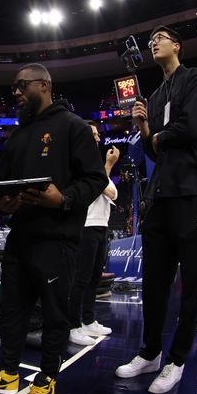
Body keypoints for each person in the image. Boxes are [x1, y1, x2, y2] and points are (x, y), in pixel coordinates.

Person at [0, 63, 107, 394]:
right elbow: (1, 184)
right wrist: (3, 202)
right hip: (21, 236)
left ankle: (46, 380)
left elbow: (94, 179)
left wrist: (65, 199)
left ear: (44, 85)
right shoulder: (17, 136)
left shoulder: (73, 127)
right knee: (11, 310)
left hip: (57, 238)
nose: (14, 92)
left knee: (55, 314)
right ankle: (8, 373)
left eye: (20, 85)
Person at [117, 25, 197, 394]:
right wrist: (144, 128)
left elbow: (191, 127)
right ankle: (150, 353)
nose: (153, 42)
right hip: (160, 196)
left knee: (192, 287)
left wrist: (157, 136)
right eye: (150, 41)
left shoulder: (194, 79)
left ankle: (177, 360)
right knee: (154, 284)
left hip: (192, 193)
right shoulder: (157, 93)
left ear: (176, 45)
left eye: (160, 37)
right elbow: (152, 152)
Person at [68, 122, 119, 346]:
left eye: (99, 134)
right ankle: (72, 325)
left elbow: (112, 192)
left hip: (102, 225)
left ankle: (88, 320)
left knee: (94, 277)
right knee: (80, 278)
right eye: (94, 135)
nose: (98, 138)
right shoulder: (79, 162)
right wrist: (106, 171)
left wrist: (107, 167)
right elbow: (103, 187)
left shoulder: (96, 165)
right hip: (85, 225)